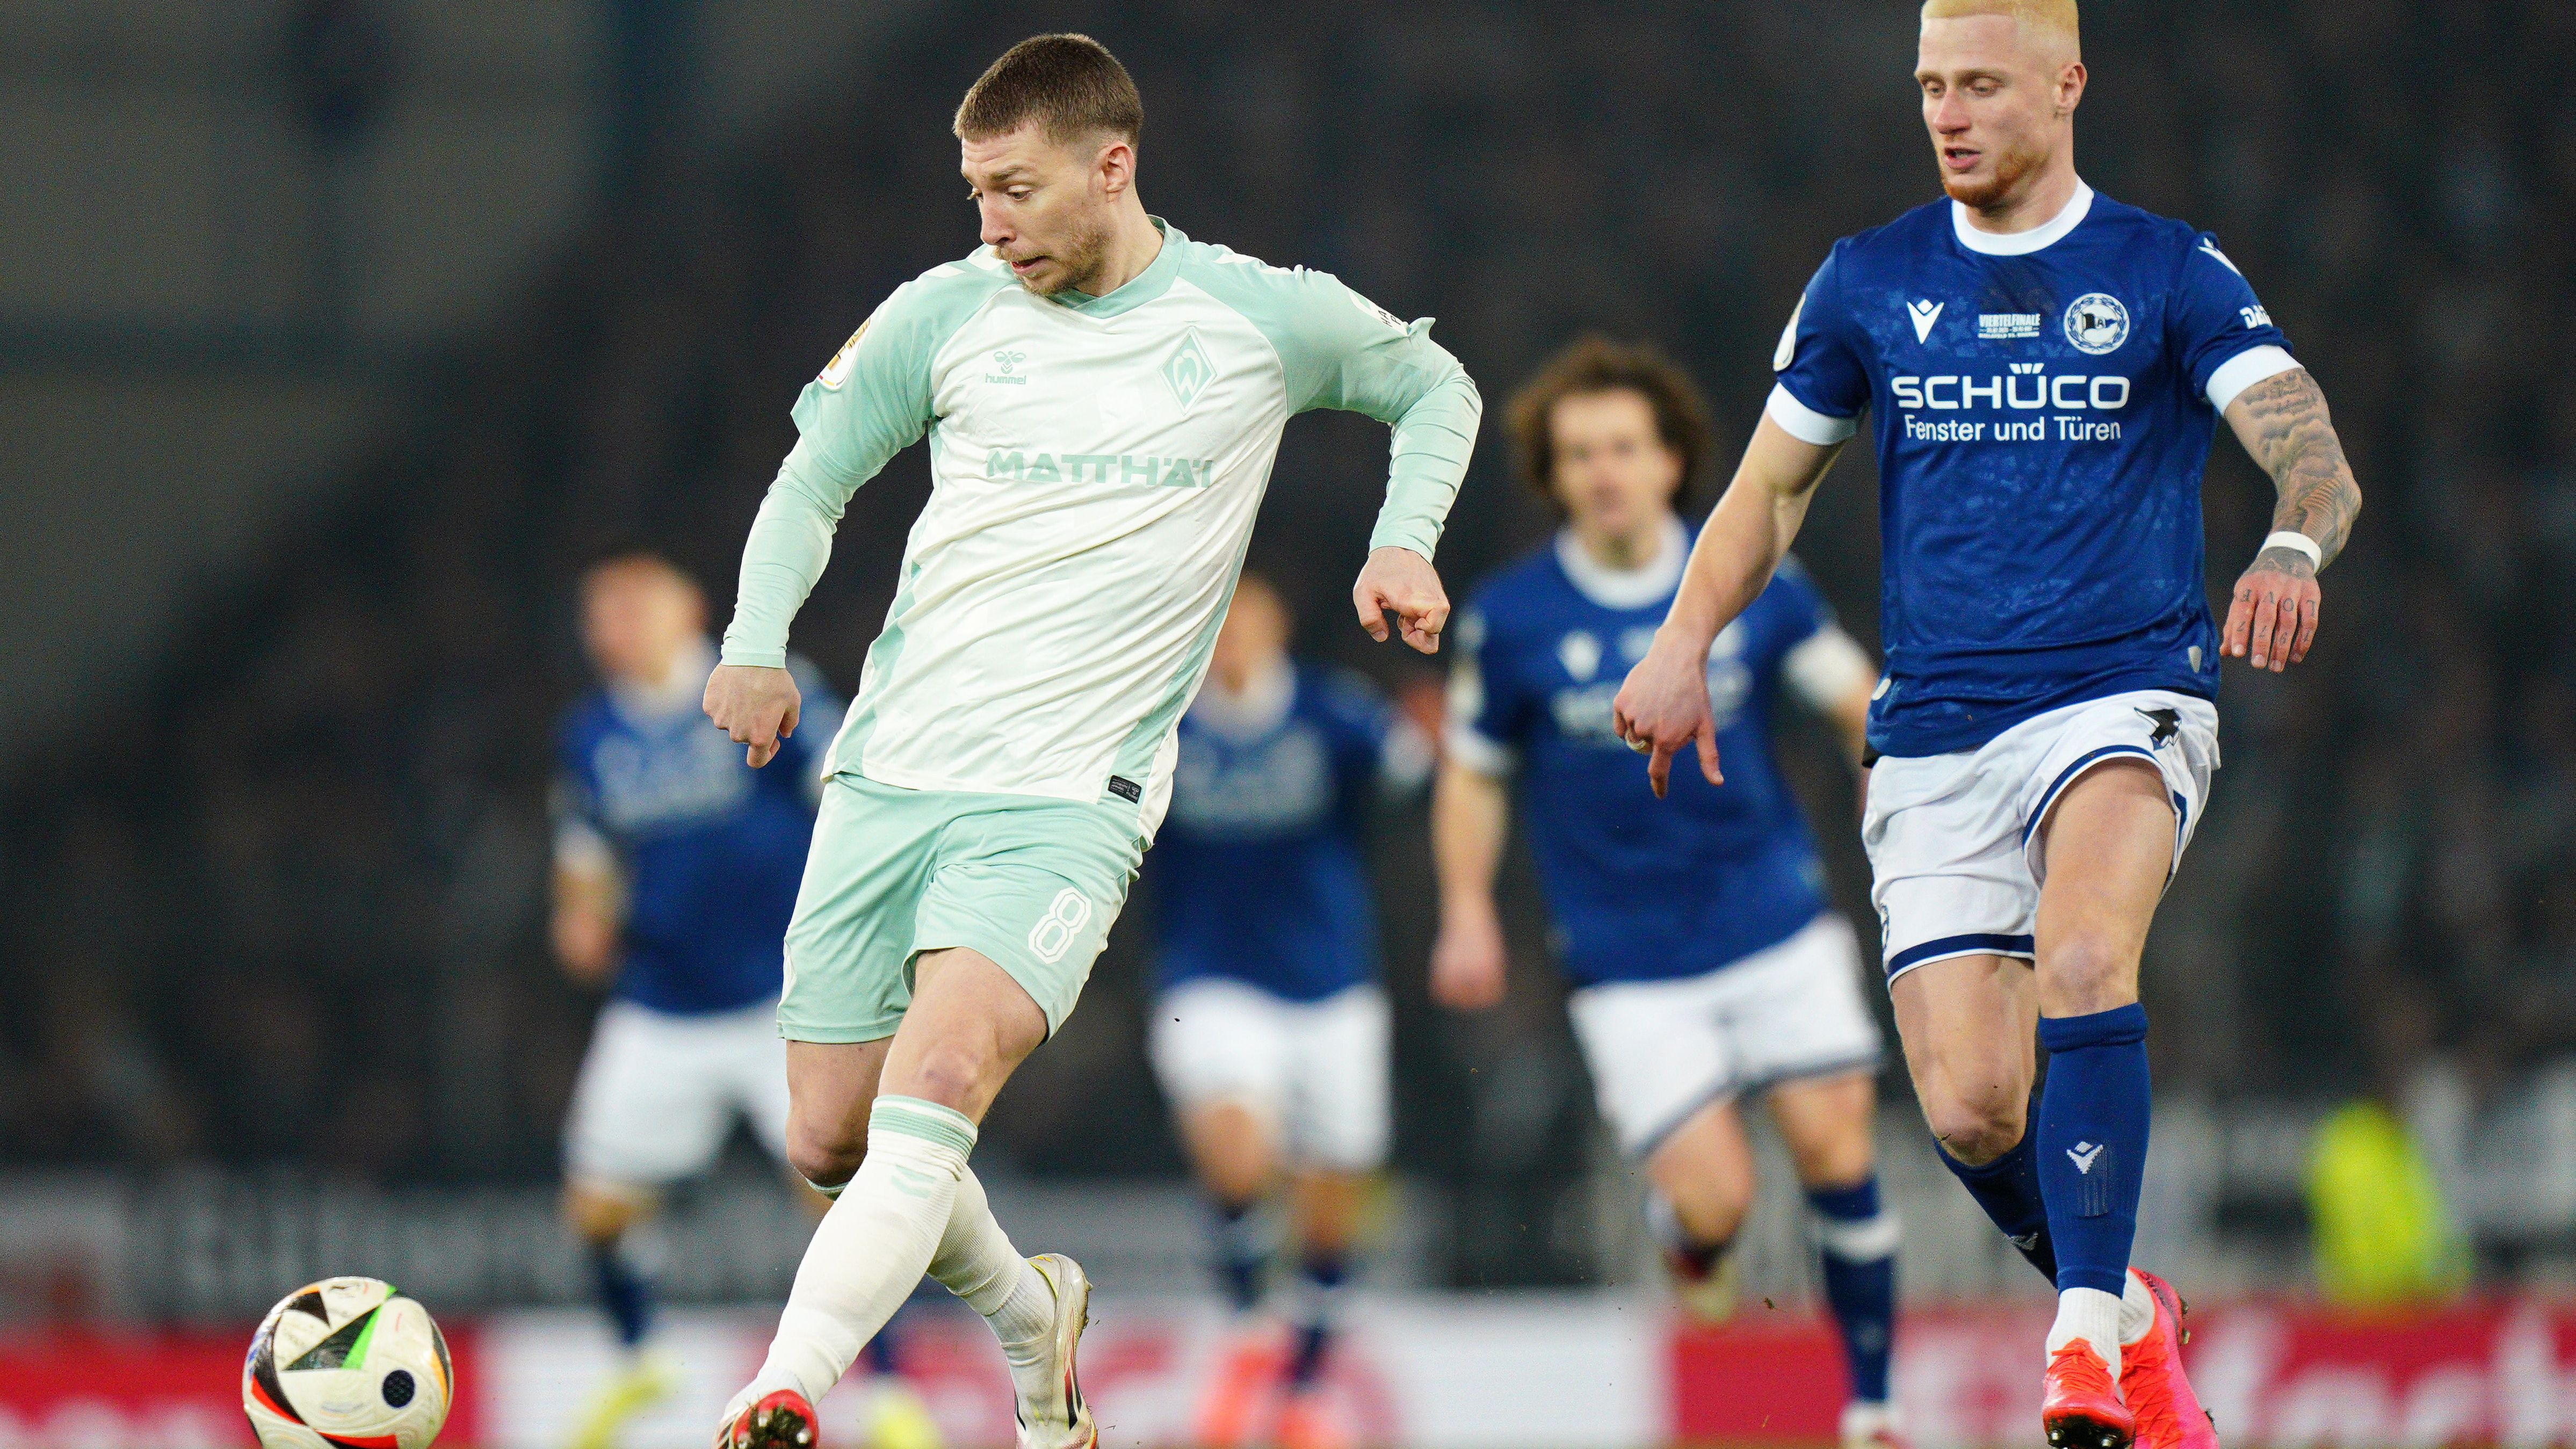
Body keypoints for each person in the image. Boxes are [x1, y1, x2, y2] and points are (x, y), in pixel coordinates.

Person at [696, 33, 1479, 1449]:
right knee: (827, 1135)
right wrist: (754, 641)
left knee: (937, 1086)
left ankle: (782, 1387)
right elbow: (811, 479)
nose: (989, 224)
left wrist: (1403, 542)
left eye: (1014, 190)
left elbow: (1436, 386)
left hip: (1066, 801)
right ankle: (1021, 1312)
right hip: (889, 772)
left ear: (1111, 168)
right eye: (974, 194)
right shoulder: (942, 314)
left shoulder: (1255, 317)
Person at [1610, 2, 2363, 1445]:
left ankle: (2079, 1343)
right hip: (1937, 732)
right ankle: (2131, 1311)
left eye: (1979, 86)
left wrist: (2288, 545)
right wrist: (1681, 638)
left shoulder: (2160, 267)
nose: (1946, 113)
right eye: (1926, 87)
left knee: (2084, 949)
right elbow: (1769, 491)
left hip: (2117, 698)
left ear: (2068, 85)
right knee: (1965, 1108)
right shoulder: (1865, 281)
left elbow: (2303, 441)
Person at [1430, 338, 1902, 1449]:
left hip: (1772, 917)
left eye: (1624, 448)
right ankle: (1686, 1238)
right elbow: (1472, 774)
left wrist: (1922, 806)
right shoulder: (1512, 621)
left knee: (1838, 1149)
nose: (1603, 470)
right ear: (1551, 473)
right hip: (1625, 956)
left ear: (1670, 460)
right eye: (1578, 452)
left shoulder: (1750, 580)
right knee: (1718, 1204)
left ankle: (1874, 1406)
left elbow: (1855, 704)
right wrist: (1465, 908)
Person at [551, 554, 938, 1449]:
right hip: (661, 1000)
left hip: (786, 993)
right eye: (598, 611)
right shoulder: (590, 733)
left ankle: (891, 1395)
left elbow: (854, 784)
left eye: (631, 603)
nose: (612, 624)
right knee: (599, 1208)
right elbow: (585, 844)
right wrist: (581, 910)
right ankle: (641, 1358)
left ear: (689, 609)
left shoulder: (765, 688)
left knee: (846, 1195)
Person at [1145, 571, 1433, 1449]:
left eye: (1246, 618)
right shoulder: (1160, 723)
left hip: (1333, 986)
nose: (1230, 637)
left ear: (1276, 625)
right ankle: (1245, 1328)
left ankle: (1303, 1388)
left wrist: (1433, 735)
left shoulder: (1328, 712)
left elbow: (1407, 770)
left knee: (1329, 1205)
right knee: (1238, 1151)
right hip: (1209, 978)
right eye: (1216, 621)